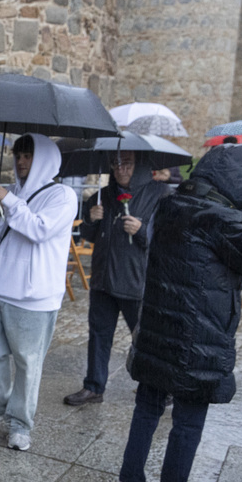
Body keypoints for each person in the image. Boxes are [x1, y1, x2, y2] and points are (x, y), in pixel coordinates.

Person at [115, 144, 242, 482]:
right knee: (188, 422)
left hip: (159, 328)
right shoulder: (221, 220)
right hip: (199, 339)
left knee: (146, 410)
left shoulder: (172, 204)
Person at [0, 134, 78, 451]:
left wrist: (11, 202)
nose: (20, 161)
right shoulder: (13, 192)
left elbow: (39, 230)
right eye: (18, 154)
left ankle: (20, 424)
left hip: (34, 297)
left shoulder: (63, 196)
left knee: (28, 363)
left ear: (44, 159)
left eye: (28, 155)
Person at [63, 151, 168, 406]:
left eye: (127, 163)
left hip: (136, 281)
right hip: (103, 279)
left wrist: (142, 231)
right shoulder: (103, 195)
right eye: (116, 163)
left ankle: (161, 388)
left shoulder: (159, 194)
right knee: (99, 335)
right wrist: (90, 218)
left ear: (139, 164)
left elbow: (167, 238)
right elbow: (89, 235)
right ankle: (94, 386)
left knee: (144, 338)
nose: (121, 168)